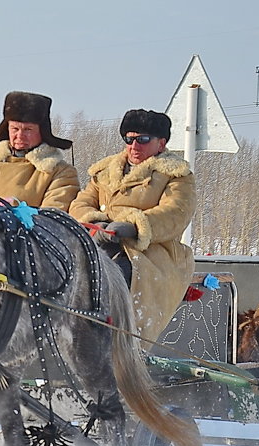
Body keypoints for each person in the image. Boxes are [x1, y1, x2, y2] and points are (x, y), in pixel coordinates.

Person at [69, 109, 196, 344]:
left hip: (150, 253)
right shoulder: (105, 172)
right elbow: (81, 202)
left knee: (115, 272)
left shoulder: (176, 175)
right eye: (129, 139)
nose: (134, 145)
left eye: (143, 140)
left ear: (161, 143)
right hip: (101, 241)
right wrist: (95, 221)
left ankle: (117, 336)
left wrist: (135, 225)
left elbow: (176, 212)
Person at [0, 91, 79, 211]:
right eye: (15, 128)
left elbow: (51, 221)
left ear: (42, 132)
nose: (20, 136)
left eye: (28, 129)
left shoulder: (60, 172)